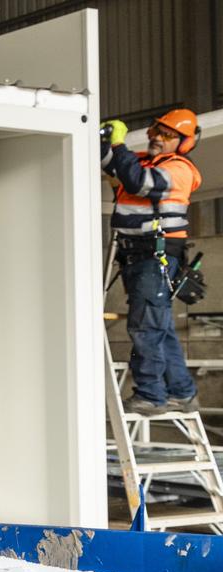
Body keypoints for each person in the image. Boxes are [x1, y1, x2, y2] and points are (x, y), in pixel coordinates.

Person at [101, 110, 203, 415]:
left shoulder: (178, 169)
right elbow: (115, 167)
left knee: (146, 328)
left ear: (183, 143)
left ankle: (151, 395)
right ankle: (183, 393)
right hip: (138, 256)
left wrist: (118, 145)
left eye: (168, 134)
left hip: (154, 256)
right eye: (158, 130)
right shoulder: (145, 161)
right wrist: (105, 142)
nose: (158, 137)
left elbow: (136, 182)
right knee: (160, 327)